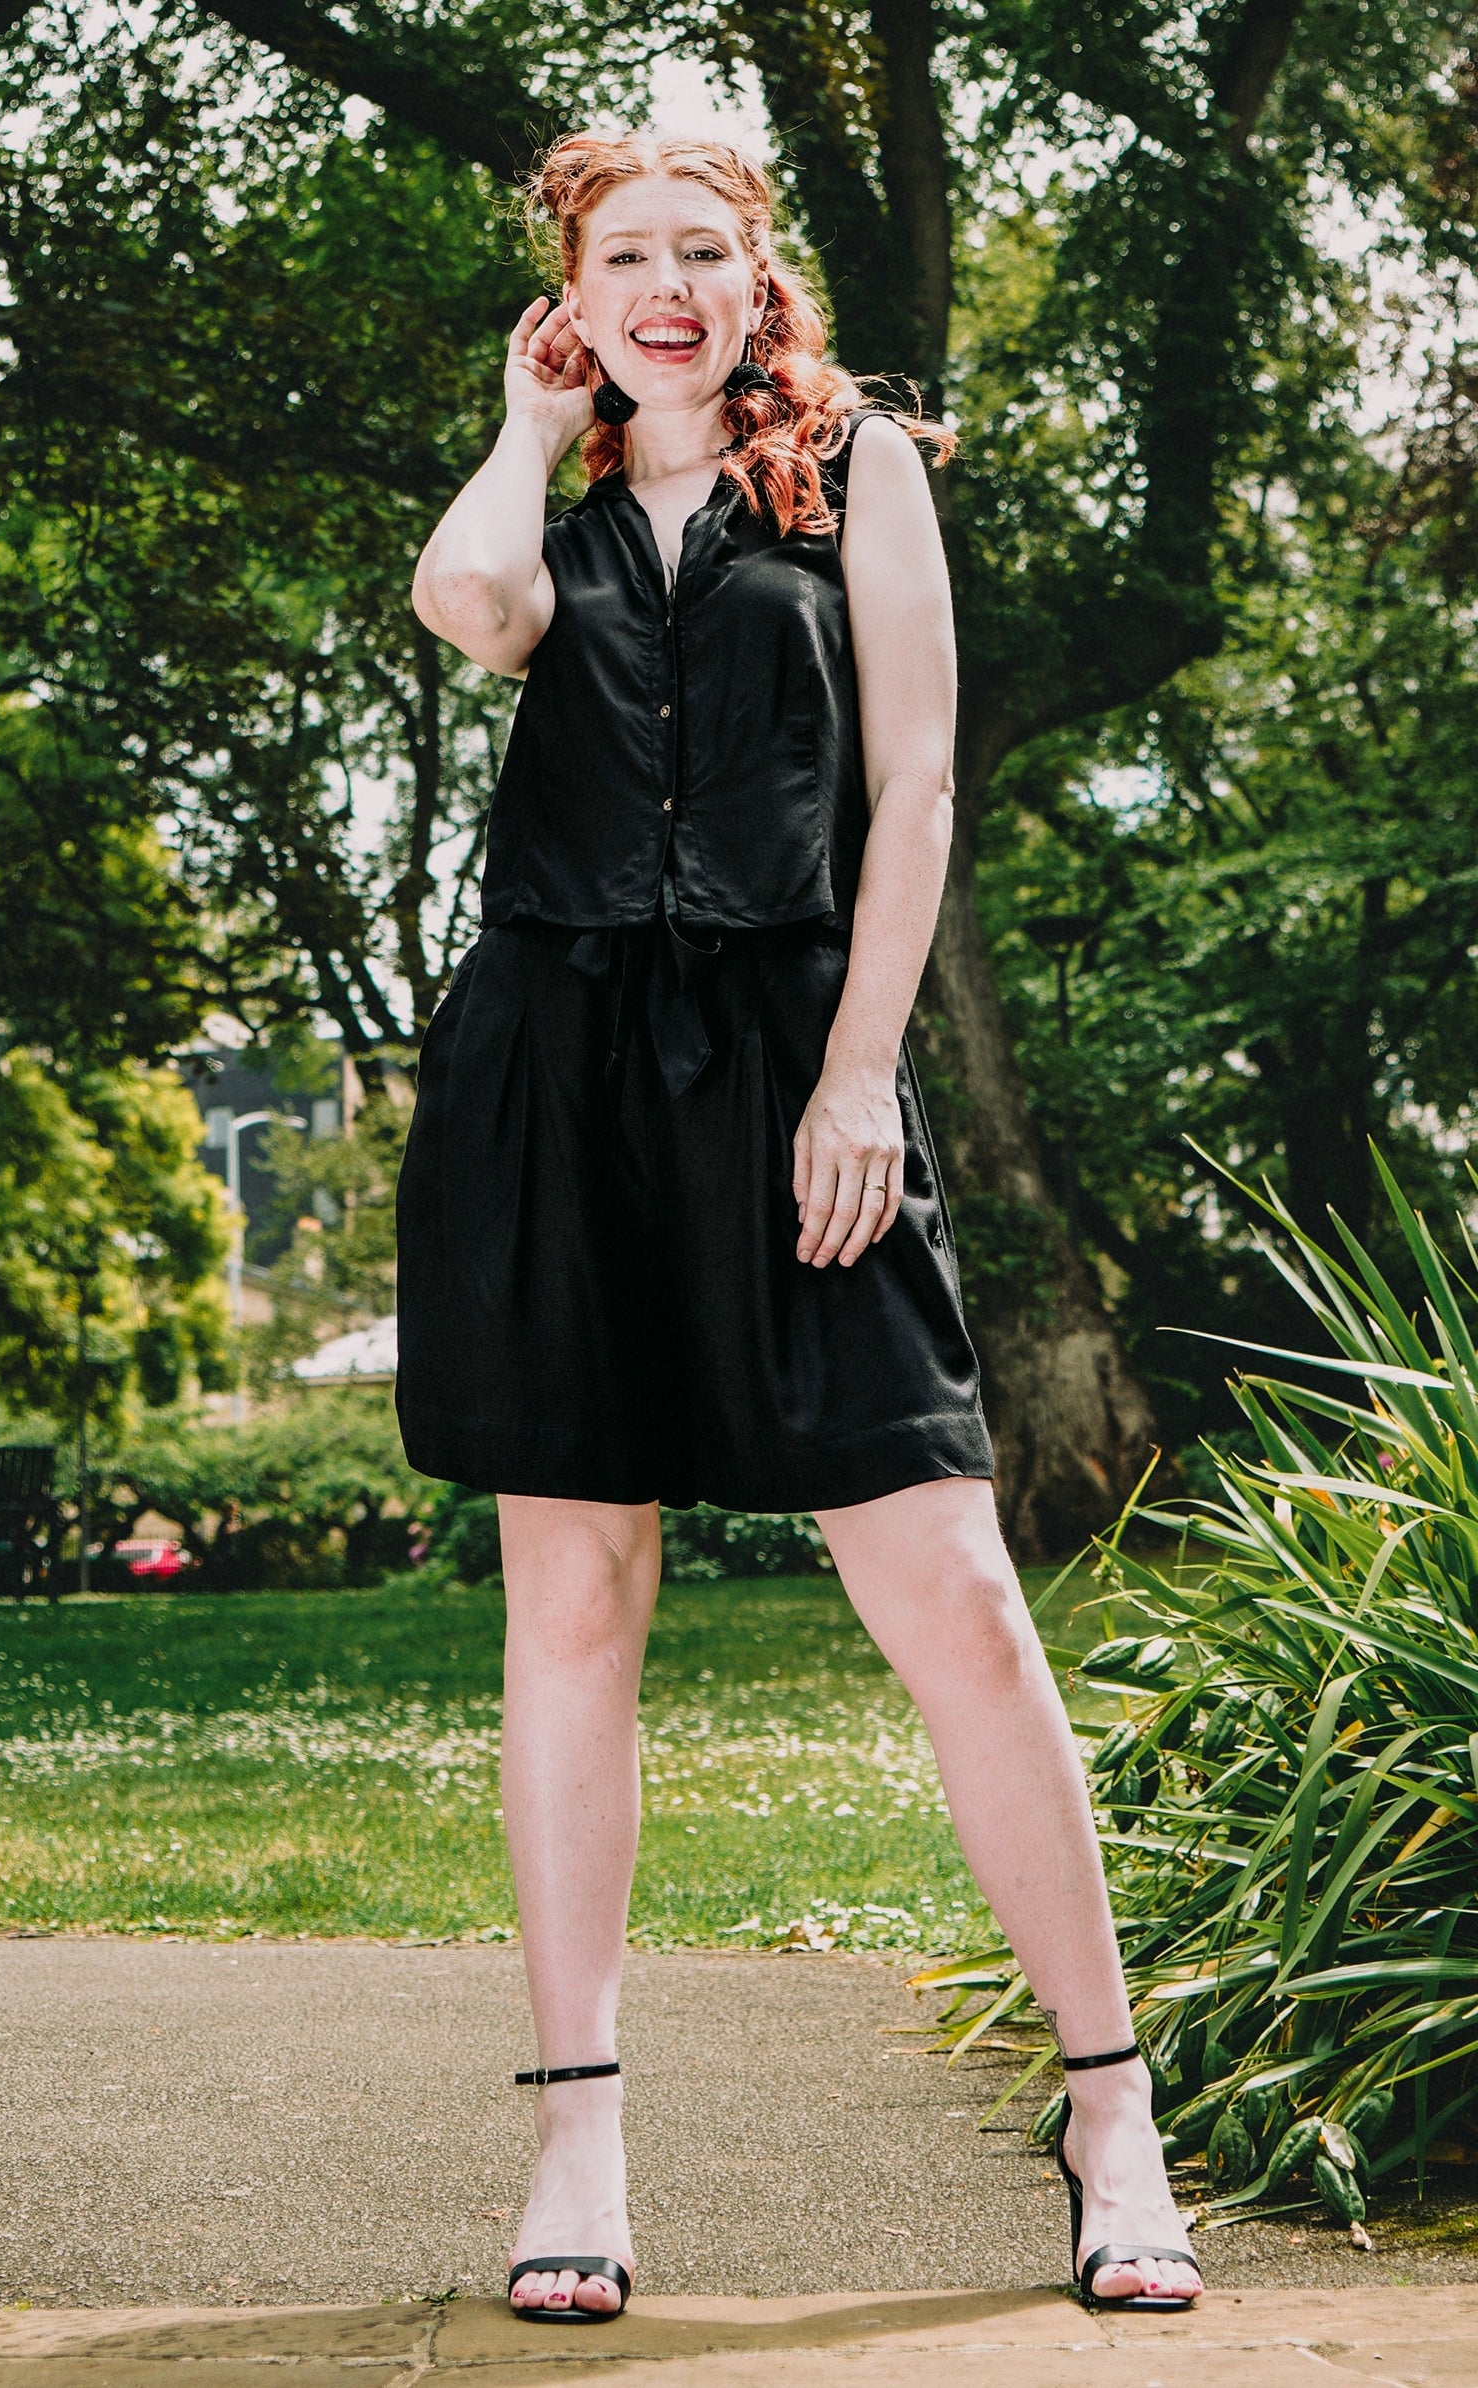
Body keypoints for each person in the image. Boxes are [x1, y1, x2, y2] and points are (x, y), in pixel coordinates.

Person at [401, 127, 1201, 2325]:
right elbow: (468, 612)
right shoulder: (550, 517)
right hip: (555, 1075)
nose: (666, 286)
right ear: (572, 294)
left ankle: (1110, 2109)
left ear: (762, 282)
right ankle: (578, 2130)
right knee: (574, 1598)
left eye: (703, 252)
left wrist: (858, 1074)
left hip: (789, 1058)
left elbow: (915, 786)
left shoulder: (861, 481)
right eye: (622, 257)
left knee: (951, 1586)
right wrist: (526, 425)